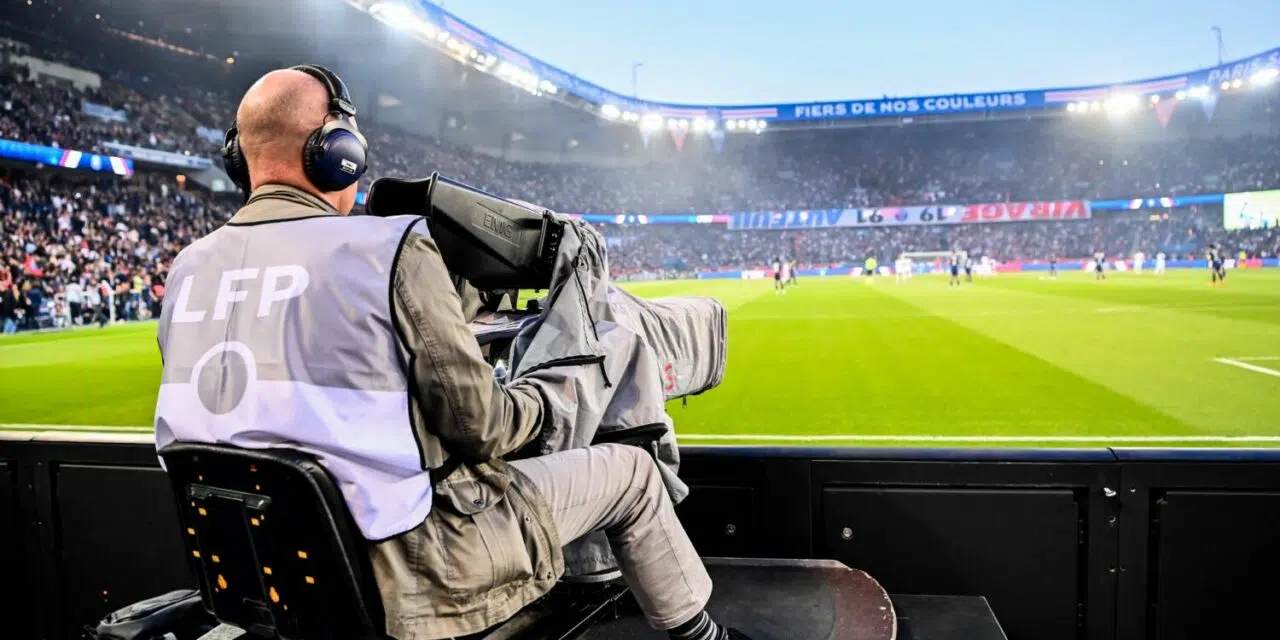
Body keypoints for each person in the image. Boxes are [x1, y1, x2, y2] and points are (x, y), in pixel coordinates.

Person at [152, 66, 745, 640]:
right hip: (416, 571)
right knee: (633, 474)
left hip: (264, 570)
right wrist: (550, 390)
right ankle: (705, 636)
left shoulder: (187, 269)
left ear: (239, 157)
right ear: (335, 151)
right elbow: (484, 429)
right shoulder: (385, 248)